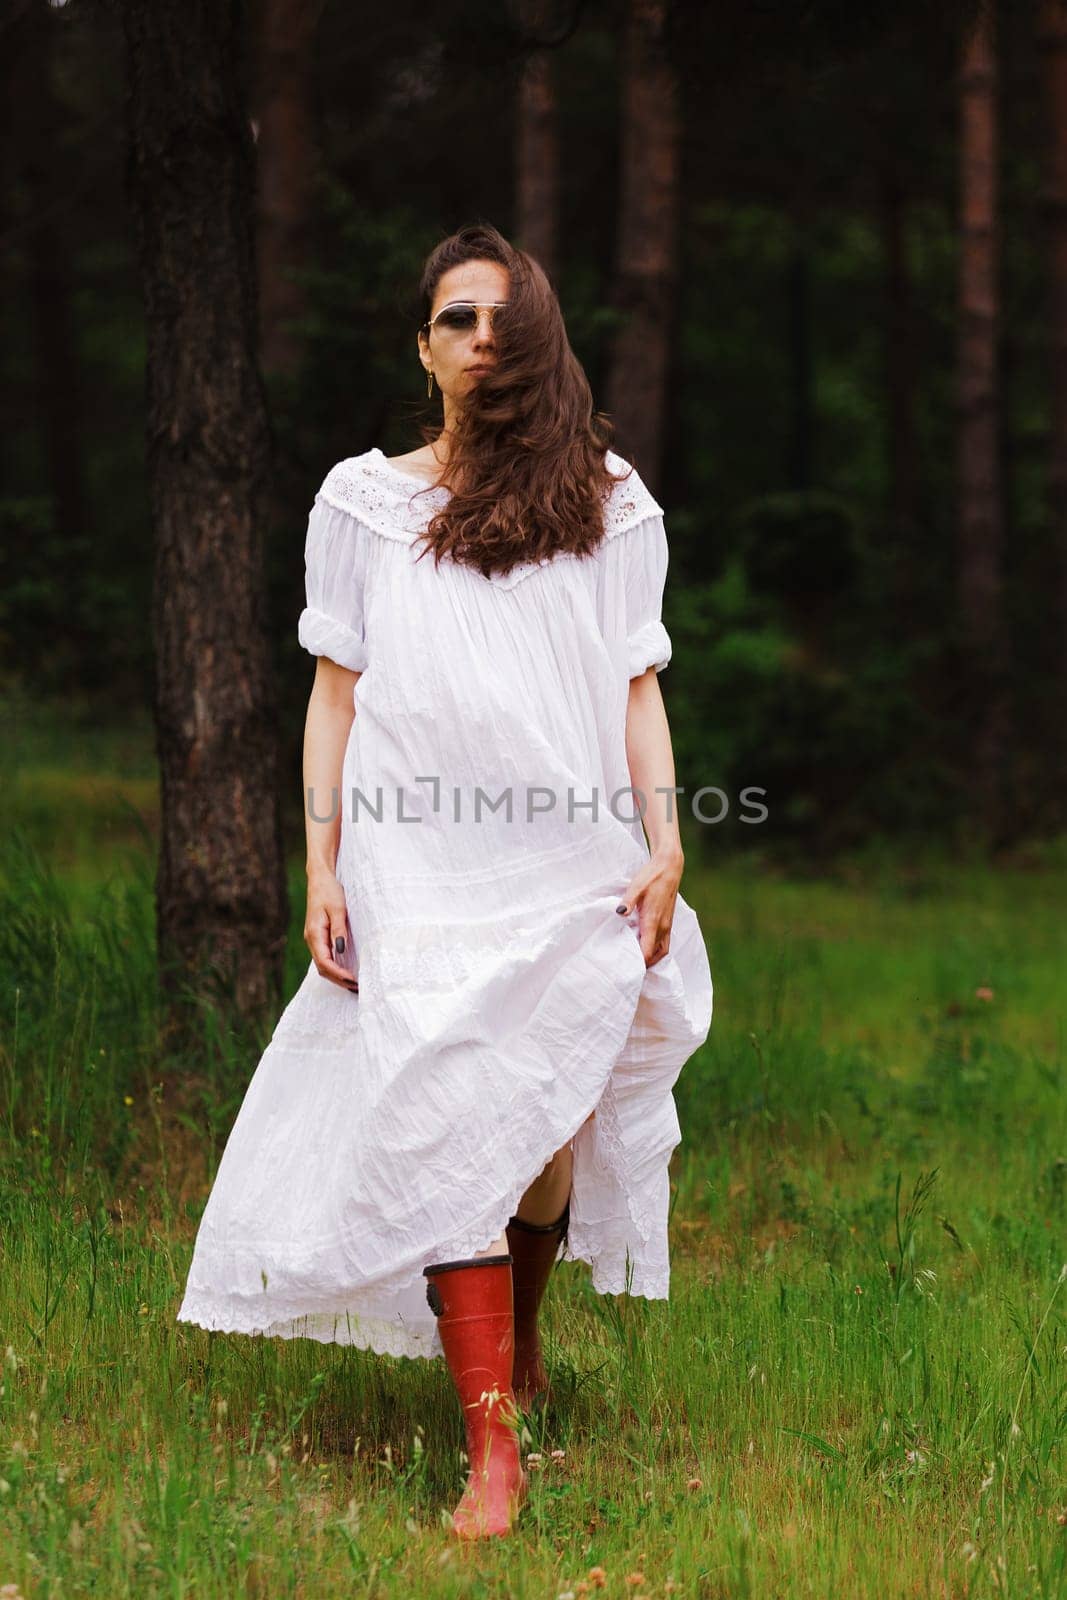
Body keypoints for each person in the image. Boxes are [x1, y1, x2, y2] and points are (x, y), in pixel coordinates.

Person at [177, 222, 713, 1541]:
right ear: (421, 346)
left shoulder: (608, 499)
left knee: (533, 1129)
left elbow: (638, 689)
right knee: (443, 1118)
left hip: (564, 852)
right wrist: (322, 860)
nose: (480, 339)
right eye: (455, 319)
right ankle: (492, 1446)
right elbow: (333, 697)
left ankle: (521, 1345)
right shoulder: (362, 502)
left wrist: (665, 842)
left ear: (535, 343)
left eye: (501, 320)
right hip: (413, 856)